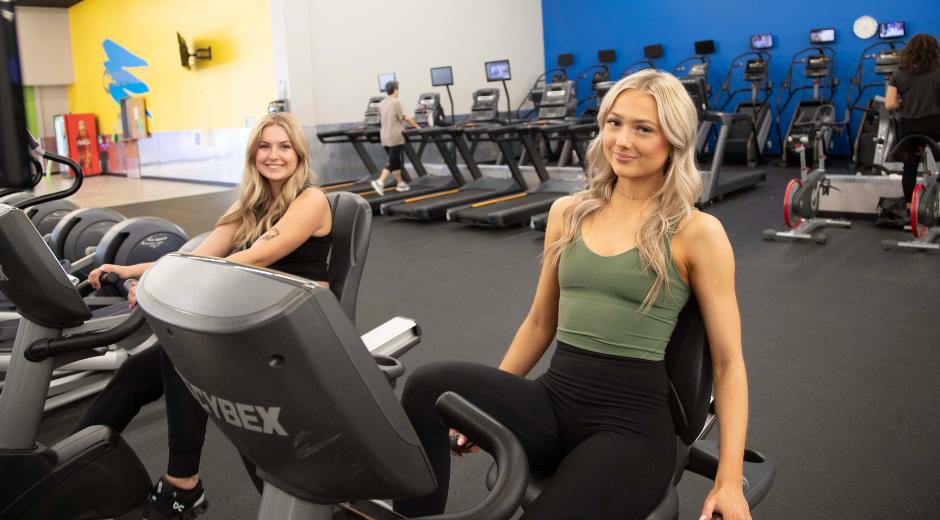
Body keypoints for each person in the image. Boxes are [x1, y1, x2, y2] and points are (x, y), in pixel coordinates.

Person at [393, 70, 752, 520]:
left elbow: (728, 363)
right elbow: (541, 322)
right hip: (553, 402)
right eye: (613, 123)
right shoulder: (569, 212)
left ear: (674, 141)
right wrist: (478, 410)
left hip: (631, 430)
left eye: (643, 129)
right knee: (429, 386)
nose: (622, 140)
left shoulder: (697, 232)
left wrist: (728, 480)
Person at [76, 112, 333, 520]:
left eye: (284, 146)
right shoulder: (249, 204)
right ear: (253, 154)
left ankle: (183, 486)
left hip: (299, 328)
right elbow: (195, 255)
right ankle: (71, 464)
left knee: (181, 352)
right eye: (265, 146)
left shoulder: (311, 200)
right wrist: (130, 271)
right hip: (251, 320)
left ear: (299, 154)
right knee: (134, 373)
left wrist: (168, 282)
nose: (274, 155)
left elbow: (254, 258)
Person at [885, 33, 940, 213]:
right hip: (934, 127)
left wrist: (903, 103)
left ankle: (909, 208)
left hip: (908, 128)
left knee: (910, 167)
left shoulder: (898, 73)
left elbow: (890, 104)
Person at [371, 80, 419, 196]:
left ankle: (400, 183)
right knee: (392, 162)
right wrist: (417, 127)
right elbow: (405, 117)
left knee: (395, 160)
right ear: (396, 90)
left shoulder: (382, 103)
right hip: (395, 137)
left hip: (385, 137)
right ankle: (380, 182)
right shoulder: (396, 102)